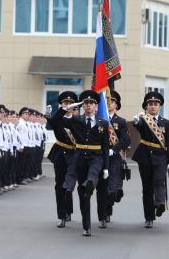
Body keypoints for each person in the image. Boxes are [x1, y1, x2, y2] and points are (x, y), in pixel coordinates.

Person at [53, 90, 109, 237]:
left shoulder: (103, 123)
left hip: (96, 157)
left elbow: (105, 147)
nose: (88, 105)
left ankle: (89, 183)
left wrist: (107, 167)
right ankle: (86, 226)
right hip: (80, 157)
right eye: (85, 103)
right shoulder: (76, 121)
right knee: (83, 196)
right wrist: (68, 107)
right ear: (82, 106)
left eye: (91, 103)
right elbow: (55, 122)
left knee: (92, 174)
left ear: (96, 106)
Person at [132, 91, 169, 229]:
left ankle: (160, 203)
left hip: (160, 157)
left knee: (158, 180)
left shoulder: (166, 123)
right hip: (144, 157)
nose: (153, 106)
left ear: (160, 106)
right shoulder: (143, 120)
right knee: (147, 189)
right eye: (150, 104)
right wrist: (136, 121)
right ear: (146, 106)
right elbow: (138, 126)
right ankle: (149, 217)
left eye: (156, 104)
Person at [45, 91, 77, 228]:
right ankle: (62, 215)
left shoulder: (78, 120)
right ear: (61, 105)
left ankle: (68, 209)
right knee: (60, 185)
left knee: (70, 186)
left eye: (71, 103)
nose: (68, 105)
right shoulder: (57, 119)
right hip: (61, 154)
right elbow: (52, 123)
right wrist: (61, 110)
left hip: (76, 155)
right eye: (65, 103)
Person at [105, 90, 131, 224]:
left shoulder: (120, 121)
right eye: (108, 100)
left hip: (115, 158)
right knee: (103, 188)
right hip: (100, 157)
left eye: (113, 101)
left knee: (112, 189)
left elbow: (126, 141)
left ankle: (116, 195)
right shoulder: (99, 119)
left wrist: (113, 150)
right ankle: (106, 214)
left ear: (117, 105)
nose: (110, 103)